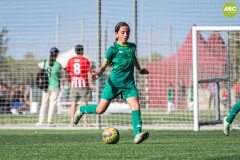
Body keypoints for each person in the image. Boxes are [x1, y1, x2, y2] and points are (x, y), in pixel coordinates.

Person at [73, 22, 149, 144]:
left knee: (136, 106)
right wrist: (97, 74)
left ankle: (137, 135)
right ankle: (82, 109)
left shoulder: (132, 46)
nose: (125, 35)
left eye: (127, 32)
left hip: (128, 85)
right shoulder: (112, 50)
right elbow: (103, 66)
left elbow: (133, 57)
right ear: (116, 33)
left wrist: (140, 70)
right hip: (113, 84)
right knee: (99, 110)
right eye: (123, 32)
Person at [65, 44, 94, 127]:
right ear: (82, 51)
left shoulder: (70, 60)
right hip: (83, 83)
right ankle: (85, 121)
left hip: (74, 83)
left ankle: (72, 121)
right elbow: (88, 73)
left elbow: (67, 71)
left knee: (73, 103)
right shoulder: (85, 60)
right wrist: (92, 84)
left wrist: (69, 80)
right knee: (85, 103)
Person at [36, 47, 62, 127]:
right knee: (52, 104)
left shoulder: (46, 62)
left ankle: (41, 122)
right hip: (55, 86)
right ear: (57, 54)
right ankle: (49, 122)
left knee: (44, 104)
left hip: (46, 86)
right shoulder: (58, 65)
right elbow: (60, 76)